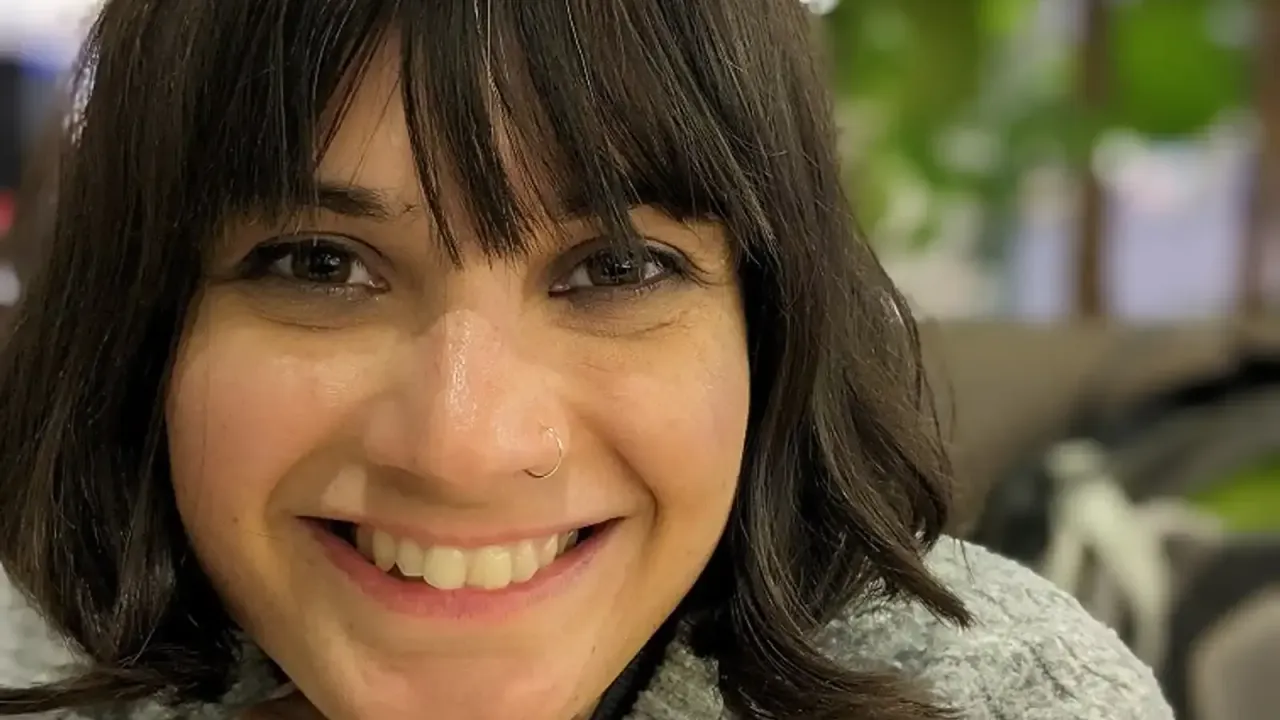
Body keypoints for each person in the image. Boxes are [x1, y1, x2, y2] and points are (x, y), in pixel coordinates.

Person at [0, 1, 1173, 719]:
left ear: (772, 328)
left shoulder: (994, 698)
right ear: (143, 330)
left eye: (616, 268)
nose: (462, 445)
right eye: (318, 265)